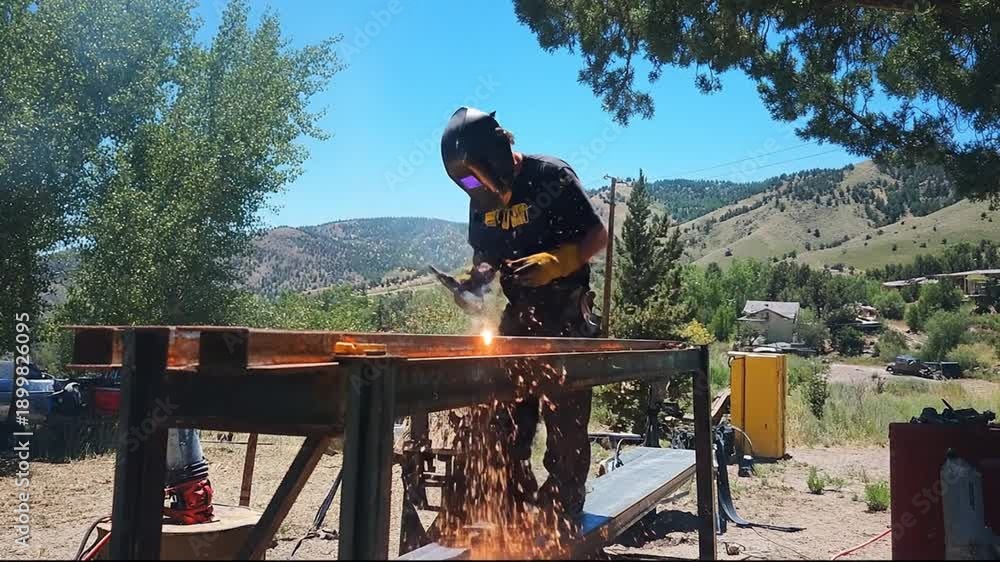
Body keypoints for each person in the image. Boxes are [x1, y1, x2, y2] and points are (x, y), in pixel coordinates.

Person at [439, 106, 609, 519]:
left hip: (566, 315)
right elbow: (486, 256)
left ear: (498, 156)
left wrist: (560, 260)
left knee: (565, 424)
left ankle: (561, 513)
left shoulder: (551, 176)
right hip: (519, 317)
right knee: (502, 415)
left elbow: (598, 234)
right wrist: (475, 284)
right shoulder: (479, 197)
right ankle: (511, 506)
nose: (484, 192)